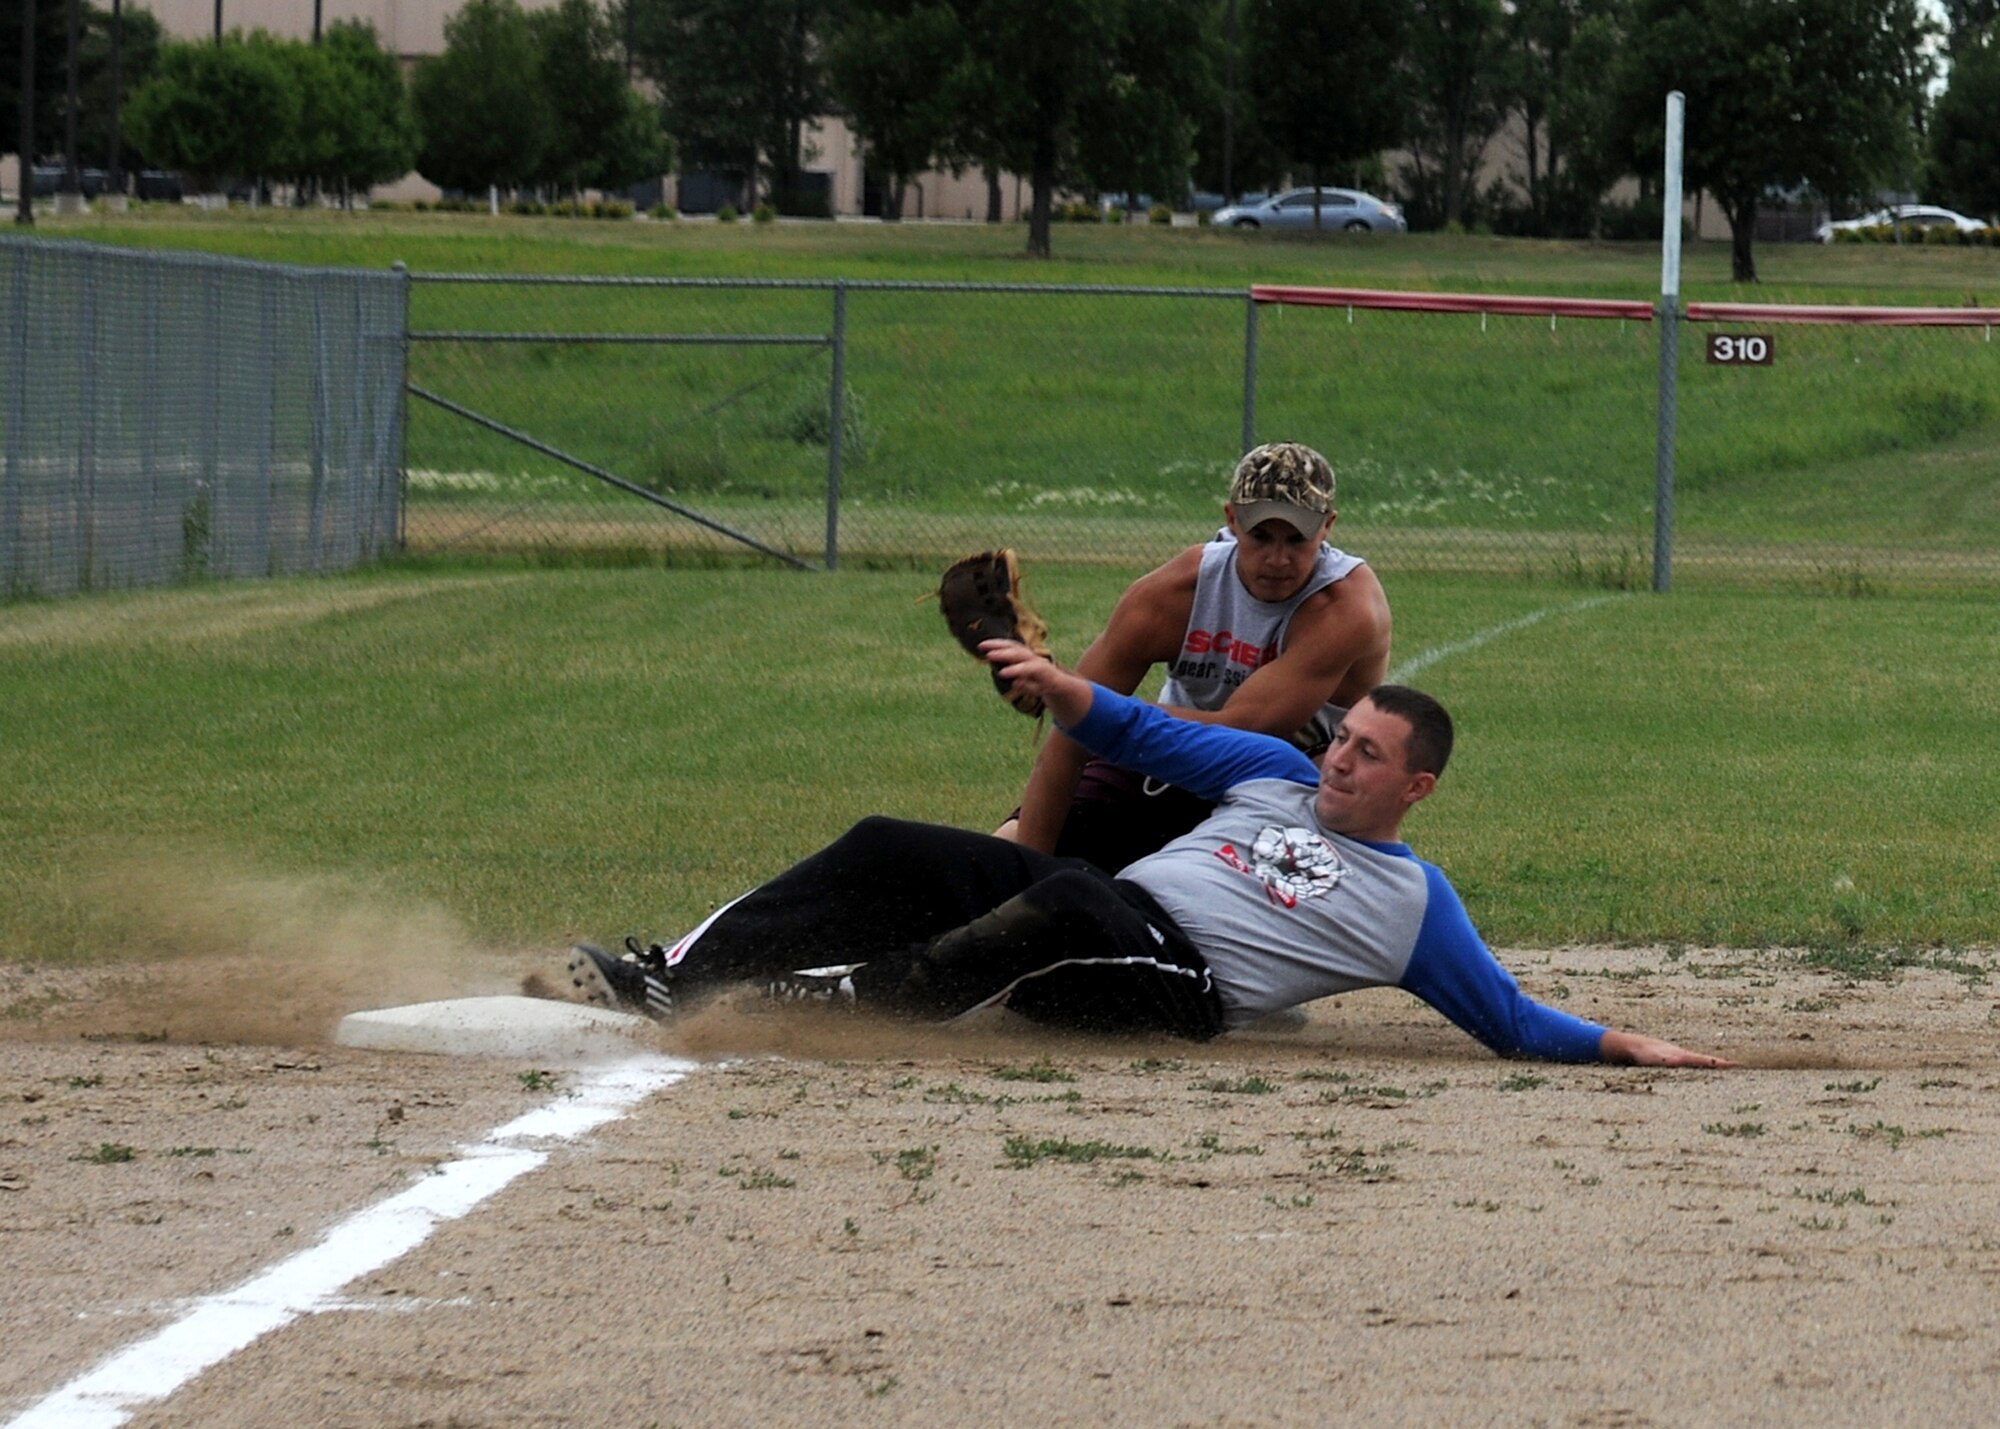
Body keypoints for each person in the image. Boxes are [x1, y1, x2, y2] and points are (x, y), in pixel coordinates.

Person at [567, 640, 1732, 1068]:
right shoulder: (1271, 772)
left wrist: (1623, 1042)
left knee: (1071, 889)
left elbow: (1509, 1021)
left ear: (1413, 787)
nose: (1339, 759)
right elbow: (1142, 729)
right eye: (1346, 738)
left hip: (1174, 984)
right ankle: (686, 968)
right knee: (902, 846)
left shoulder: (1408, 901)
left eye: (1368, 755)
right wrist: (1060, 685)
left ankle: (841, 1008)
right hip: (1101, 912)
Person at [998, 441, 1392, 877]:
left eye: (1296, 540)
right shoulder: (1176, 594)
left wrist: (1084, 703)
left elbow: (1245, 731)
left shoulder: (1344, 608)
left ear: (1327, 528)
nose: (1278, 559)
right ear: (1231, 520)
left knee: (1198, 899)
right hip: (1172, 754)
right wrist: (1025, 872)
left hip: (1292, 778)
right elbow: (1069, 741)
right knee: (1003, 852)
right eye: (1261, 536)